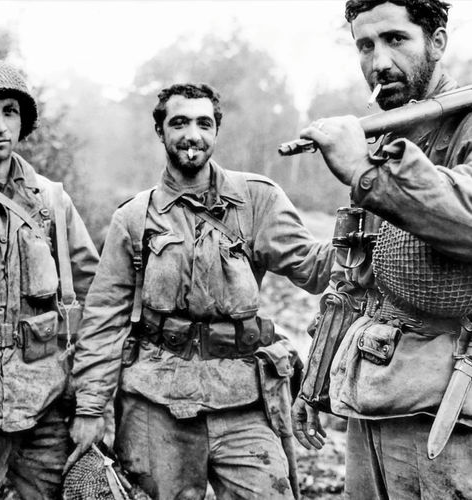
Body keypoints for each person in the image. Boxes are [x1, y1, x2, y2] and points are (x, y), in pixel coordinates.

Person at [68, 82, 336, 500]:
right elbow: (104, 320)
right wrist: (90, 408)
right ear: (160, 132)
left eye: (203, 123)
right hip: (156, 405)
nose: (192, 134)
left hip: (243, 402)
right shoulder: (134, 218)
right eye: (179, 123)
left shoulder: (257, 199)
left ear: (216, 131)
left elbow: (314, 268)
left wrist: (376, 212)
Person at [292, 1, 472, 499]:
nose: (379, 62)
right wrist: (318, 379)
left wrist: (362, 174)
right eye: (365, 46)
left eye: (396, 39)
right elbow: (354, 281)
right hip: (374, 394)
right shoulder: (384, 135)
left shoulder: (467, 127)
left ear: (436, 42)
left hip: (451, 412)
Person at [0, 58, 99, 499]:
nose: (0, 124)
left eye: (10, 111)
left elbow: (99, 297)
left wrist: (92, 400)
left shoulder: (52, 200)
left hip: (46, 402)